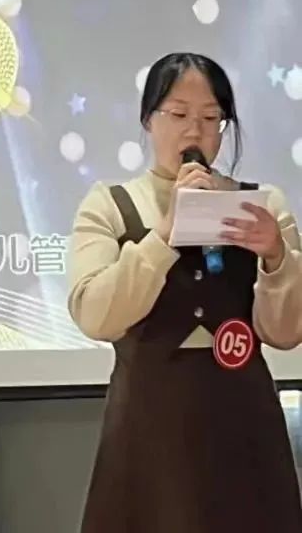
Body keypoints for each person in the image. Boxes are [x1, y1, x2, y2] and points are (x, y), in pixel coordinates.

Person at [67, 52, 302, 533]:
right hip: (147, 429)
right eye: (178, 114)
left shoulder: (261, 204)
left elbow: (285, 333)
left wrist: (277, 258)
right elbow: (95, 315)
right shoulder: (111, 204)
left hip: (243, 425)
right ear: (148, 120)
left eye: (211, 119)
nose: (194, 132)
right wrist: (164, 234)